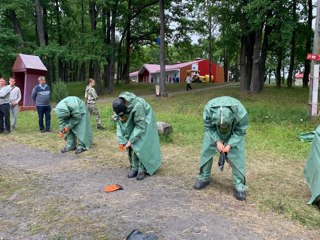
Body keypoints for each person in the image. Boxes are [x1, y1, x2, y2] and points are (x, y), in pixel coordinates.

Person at [193, 96, 249, 201]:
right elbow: (208, 127)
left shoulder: (240, 112)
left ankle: (239, 185)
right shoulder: (209, 109)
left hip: (234, 131)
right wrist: (217, 141)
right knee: (207, 150)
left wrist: (229, 145)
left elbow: (241, 130)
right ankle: (204, 176)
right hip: (213, 130)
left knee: (237, 155)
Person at [112, 92, 162, 180]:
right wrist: (122, 141)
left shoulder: (138, 106)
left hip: (145, 121)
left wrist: (130, 141)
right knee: (131, 140)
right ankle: (134, 167)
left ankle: (141, 169)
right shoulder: (118, 105)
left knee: (140, 142)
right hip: (134, 118)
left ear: (126, 106)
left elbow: (140, 126)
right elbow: (119, 124)